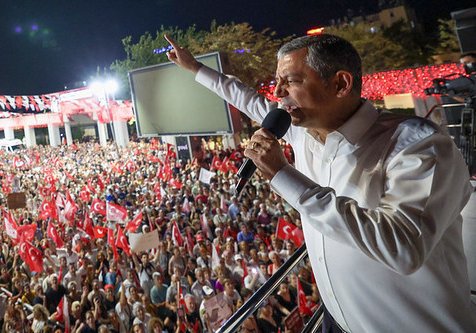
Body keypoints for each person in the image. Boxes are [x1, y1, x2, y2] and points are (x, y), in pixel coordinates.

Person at [165, 32, 476, 332]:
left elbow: (403, 247)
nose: (278, 93)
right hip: (338, 321)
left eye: (291, 81)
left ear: (340, 83)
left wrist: (282, 175)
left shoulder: (418, 146)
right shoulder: (301, 129)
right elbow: (246, 98)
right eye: (278, 82)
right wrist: (195, 68)